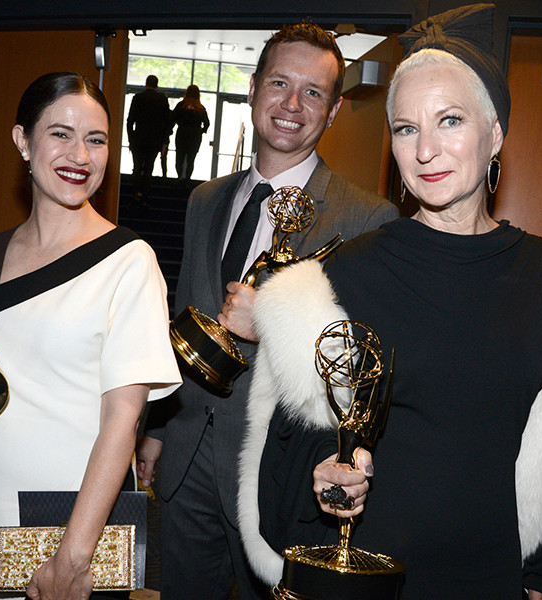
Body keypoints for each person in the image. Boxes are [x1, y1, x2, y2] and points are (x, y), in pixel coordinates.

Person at [234, 5, 542, 600]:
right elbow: (300, 443)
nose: (426, 151)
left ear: (494, 133)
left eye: (449, 120)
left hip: (493, 577)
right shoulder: (351, 271)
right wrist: (329, 479)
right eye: (405, 128)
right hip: (374, 575)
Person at [136, 23, 400, 600]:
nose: (291, 104)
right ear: (253, 89)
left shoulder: (367, 221)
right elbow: (182, 317)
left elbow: (359, 369)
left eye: (313, 92)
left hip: (279, 470)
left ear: (332, 113)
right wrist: (155, 427)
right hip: (186, 457)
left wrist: (275, 328)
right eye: (280, 83)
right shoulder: (206, 199)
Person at [0, 72, 182, 600]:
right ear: (23, 142)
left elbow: (123, 419)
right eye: (60, 133)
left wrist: (74, 556)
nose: (80, 154)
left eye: (97, 139)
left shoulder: (129, 261)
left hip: (76, 515)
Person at [126, 74, 171, 205]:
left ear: (146, 84)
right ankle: (145, 196)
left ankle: (135, 194)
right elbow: (166, 122)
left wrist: (131, 139)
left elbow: (130, 121)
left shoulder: (138, 98)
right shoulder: (162, 99)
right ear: (157, 85)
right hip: (154, 140)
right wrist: (164, 141)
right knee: (148, 168)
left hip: (138, 138)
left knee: (137, 167)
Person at [172, 85, 210, 183]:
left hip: (182, 132)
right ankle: (188, 178)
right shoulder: (200, 108)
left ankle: (179, 176)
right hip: (195, 135)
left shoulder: (181, 105)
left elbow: (172, 118)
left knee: (179, 156)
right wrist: (202, 131)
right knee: (191, 158)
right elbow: (207, 123)